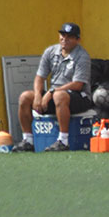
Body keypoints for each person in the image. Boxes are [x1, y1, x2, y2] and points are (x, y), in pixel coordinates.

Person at [13, 23, 94, 152]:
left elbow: (78, 85)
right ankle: (28, 140)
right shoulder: (50, 51)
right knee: (25, 97)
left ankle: (63, 141)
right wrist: (38, 95)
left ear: (78, 40)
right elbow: (39, 77)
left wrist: (51, 92)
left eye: (69, 37)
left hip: (79, 97)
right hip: (55, 96)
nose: (64, 39)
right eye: (62, 35)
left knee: (59, 95)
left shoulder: (82, 56)